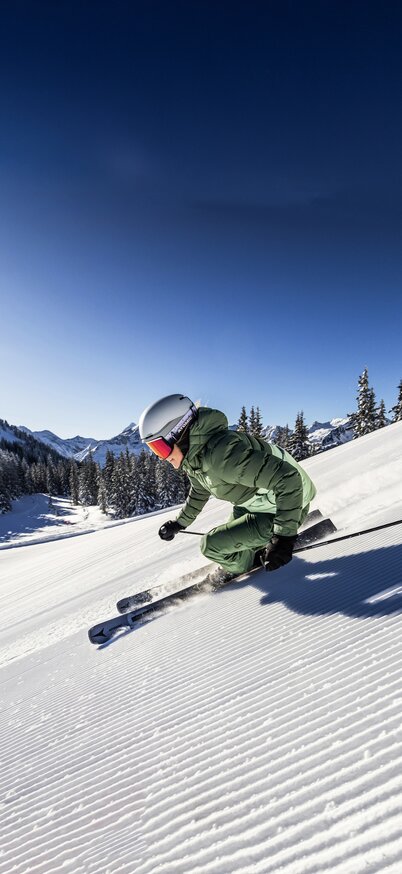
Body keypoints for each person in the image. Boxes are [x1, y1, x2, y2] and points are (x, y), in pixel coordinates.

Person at [139, 394, 317, 575]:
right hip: (257, 504)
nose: (162, 458)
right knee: (230, 539)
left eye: (160, 447)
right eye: (154, 450)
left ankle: (247, 564)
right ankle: (252, 548)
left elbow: (287, 478)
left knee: (210, 546)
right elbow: (199, 492)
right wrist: (179, 523)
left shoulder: (223, 457)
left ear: (180, 433)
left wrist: (284, 538)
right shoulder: (196, 458)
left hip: (288, 503)